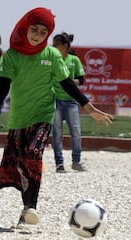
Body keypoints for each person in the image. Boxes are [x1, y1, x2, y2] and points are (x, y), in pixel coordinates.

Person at [0, 7, 113, 227]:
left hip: (43, 115)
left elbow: (67, 83)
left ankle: (31, 207)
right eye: (34, 29)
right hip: (19, 118)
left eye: (43, 31)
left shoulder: (51, 55)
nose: (38, 35)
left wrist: (90, 108)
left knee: (33, 156)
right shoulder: (12, 55)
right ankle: (26, 209)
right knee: (22, 165)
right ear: (25, 27)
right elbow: (2, 85)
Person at [52, 32, 86, 173]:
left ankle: (76, 161)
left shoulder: (74, 60)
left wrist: (69, 83)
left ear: (65, 46)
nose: (53, 48)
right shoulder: (53, 59)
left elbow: (81, 80)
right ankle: (59, 164)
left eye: (56, 45)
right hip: (56, 101)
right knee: (57, 133)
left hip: (71, 101)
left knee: (76, 133)